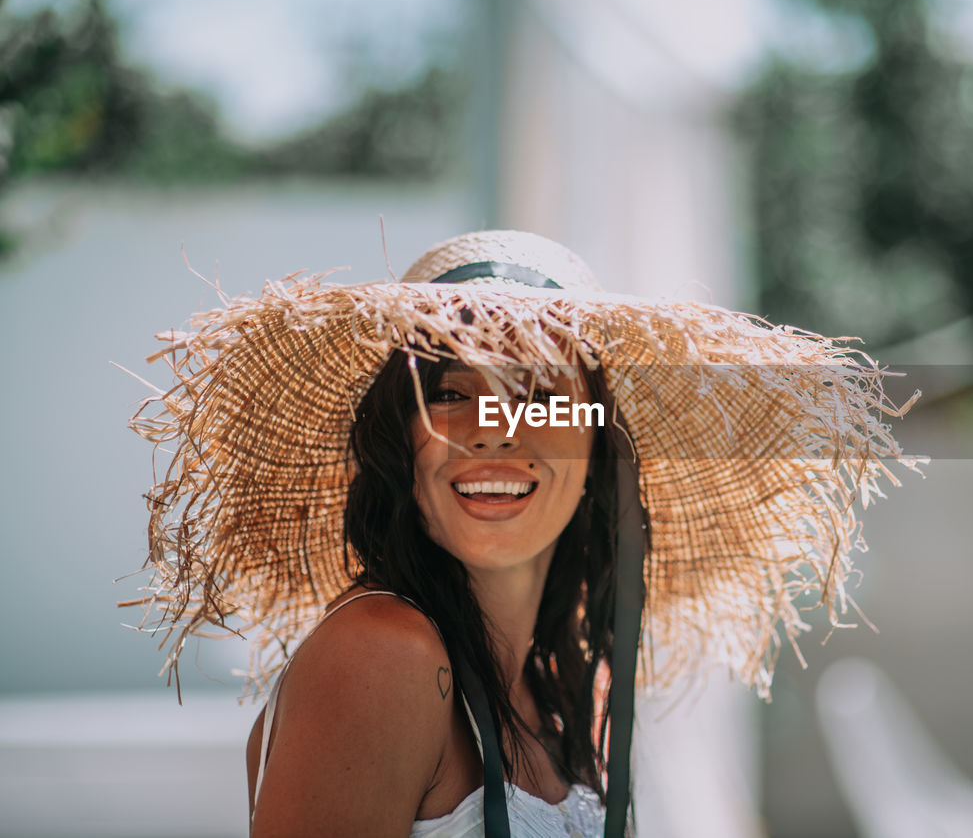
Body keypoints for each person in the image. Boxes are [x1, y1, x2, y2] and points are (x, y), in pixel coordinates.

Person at [126, 230, 922, 837]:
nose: (493, 431)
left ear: (595, 442)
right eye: (448, 391)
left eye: (539, 392)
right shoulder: (384, 652)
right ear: (399, 440)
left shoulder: (583, 681)